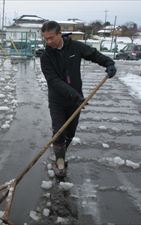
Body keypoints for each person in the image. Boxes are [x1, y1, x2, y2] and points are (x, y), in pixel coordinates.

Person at [40, 21, 116, 177]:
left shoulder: (75, 47)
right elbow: (53, 81)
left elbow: (93, 54)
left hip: (75, 99)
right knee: (59, 130)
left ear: (60, 34)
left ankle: (61, 151)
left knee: (70, 133)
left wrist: (109, 63)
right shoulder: (46, 56)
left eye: (51, 38)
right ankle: (60, 161)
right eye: (45, 39)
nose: (48, 42)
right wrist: (76, 96)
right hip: (57, 100)